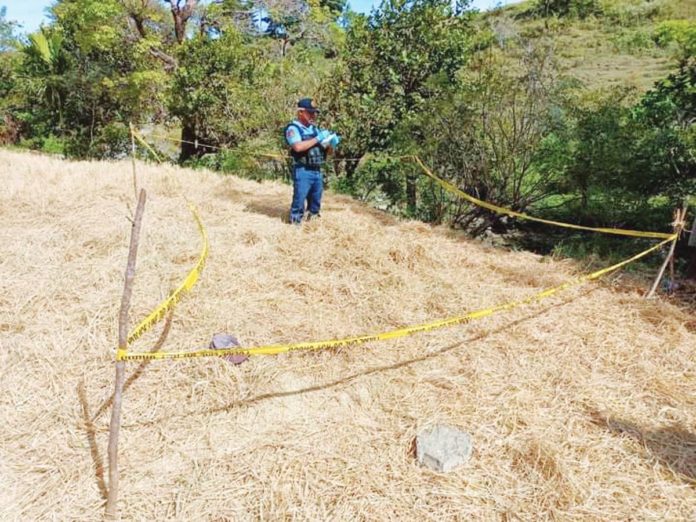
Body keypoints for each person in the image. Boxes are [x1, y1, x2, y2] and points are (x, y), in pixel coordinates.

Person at [284, 98, 339, 224]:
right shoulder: (293, 129)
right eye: (310, 112)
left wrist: (331, 144)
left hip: (317, 170)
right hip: (303, 169)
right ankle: (295, 224)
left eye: (315, 113)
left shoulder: (314, 129)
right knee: (299, 199)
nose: (314, 115)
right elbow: (298, 147)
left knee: (316, 200)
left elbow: (327, 151)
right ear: (301, 112)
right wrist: (318, 138)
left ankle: (313, 223)